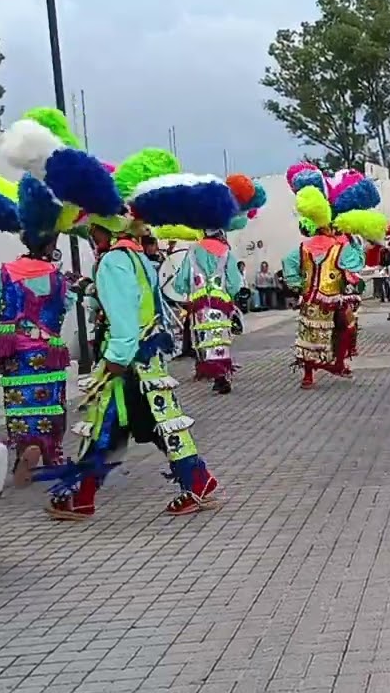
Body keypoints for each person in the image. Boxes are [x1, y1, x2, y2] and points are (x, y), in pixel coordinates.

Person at [39, 144, 235, 517]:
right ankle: (89, 496)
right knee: (133, 427)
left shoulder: (113, 260)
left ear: (102, 230)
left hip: (127, 362)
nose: (91, 235)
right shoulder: (136, 256)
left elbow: (124, 317)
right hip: (147, 360)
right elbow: (142, 301)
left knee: (111, 425)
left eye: (93, 229)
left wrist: (113, 361)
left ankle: (86, 497)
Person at [0, 111, 123, 495]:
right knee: (50, 403)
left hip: (16, 351)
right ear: (52, 244)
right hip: (48, 349)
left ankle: (24, 447)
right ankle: (50, 452)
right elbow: (66, 308)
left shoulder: (4, 272)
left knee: (19, 403)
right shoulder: (57, 278)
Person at [283, 163, 388, 388]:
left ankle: (309, 376)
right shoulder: (340, 247)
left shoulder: (304, 247)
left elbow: (288, 263)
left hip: (310, 298)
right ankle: (339, 364)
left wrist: (297, 284)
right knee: (346, 328)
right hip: (334, 298)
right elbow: (356, 265)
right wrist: (362, 245)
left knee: (310, 336)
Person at [172, 228, 243, 393]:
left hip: (200, 303)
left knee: (203, 338)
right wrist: (231, 293)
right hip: (220, 303)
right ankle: (221, 375)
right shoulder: (226, 252)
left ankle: (212, 372)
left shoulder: (193, 251)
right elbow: (234, 282)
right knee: (219, 337)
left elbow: (181, 281)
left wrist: (184, 290)